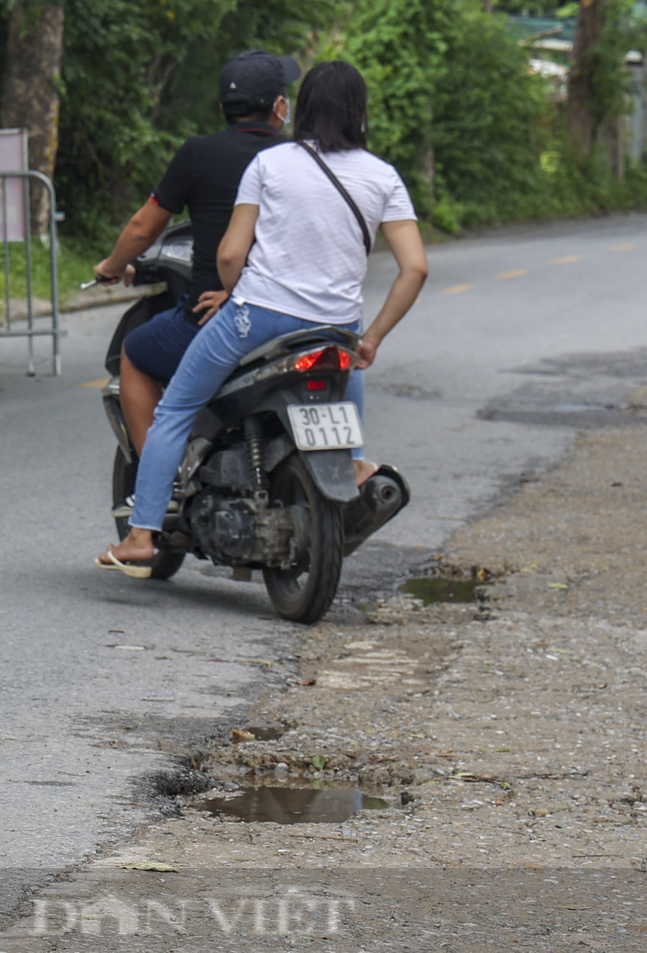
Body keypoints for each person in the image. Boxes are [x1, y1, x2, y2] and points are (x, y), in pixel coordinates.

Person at [96, 59, 428, 576]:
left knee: (176, 409)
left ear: (300, 108)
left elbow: (230, 255)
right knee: (346, 390)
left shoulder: (273, 164)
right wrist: (375, 335)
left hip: (258, 319)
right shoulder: (382, 175)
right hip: (336, 329)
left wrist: (232, 294)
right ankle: (356, 467)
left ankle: (141, 535)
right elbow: (415, 268)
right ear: (359, 112)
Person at [93, 50, 298, 454]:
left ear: (224, 108)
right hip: (296, 313)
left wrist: (112, 266)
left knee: (135, 352)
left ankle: (161, 474)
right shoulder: (302, 157)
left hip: (211, 317)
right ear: (278, 107)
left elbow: (142, 228)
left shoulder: (198, 153)